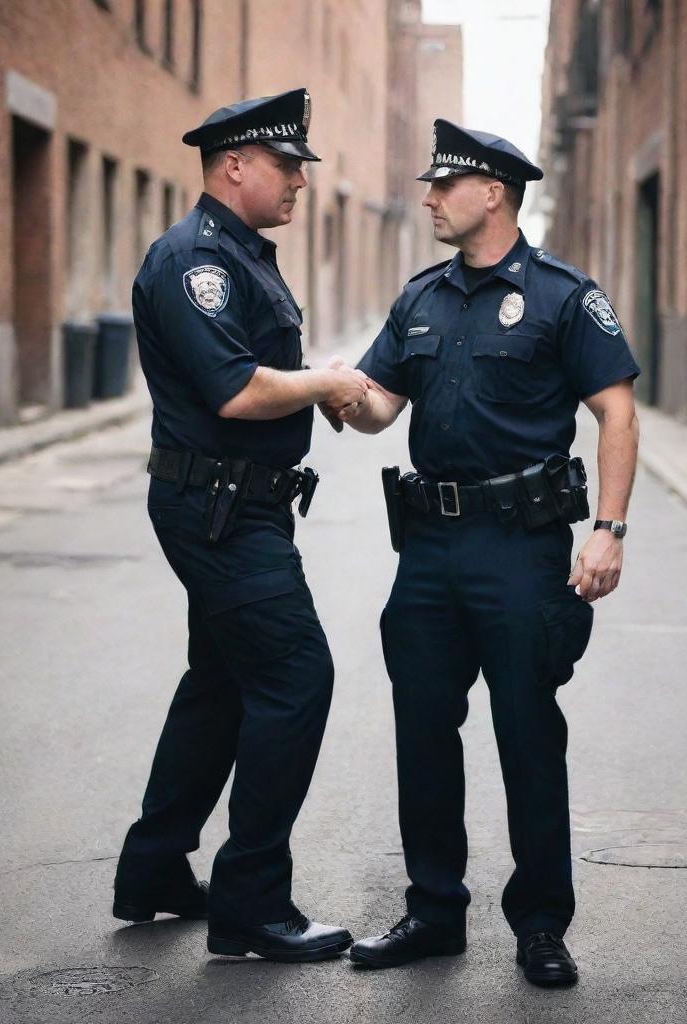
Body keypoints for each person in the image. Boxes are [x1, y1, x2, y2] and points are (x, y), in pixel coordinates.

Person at [331, 119, 640, 987]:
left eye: (443, 185)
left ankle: (541, 924)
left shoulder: (562, 296)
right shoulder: (421, 298)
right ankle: (434, 913)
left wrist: (607, 528)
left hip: (521, 549)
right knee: (424, 732)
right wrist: (331, 394)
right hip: (429, 550)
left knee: (528, 737)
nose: (428, 197)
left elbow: (616, 412)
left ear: (493, 192)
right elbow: (381, 406)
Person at [112, 88, 365, 963]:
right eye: (287, 166)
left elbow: (259, 377)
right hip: (217, 509)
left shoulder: (245, 255)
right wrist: (324, 382)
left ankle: (152, 872)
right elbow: (235, 388)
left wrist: (317, 395)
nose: (300, 181)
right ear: (234, 167)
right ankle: (252, 902)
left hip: (240, 501)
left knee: (221, 683)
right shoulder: (195, 261)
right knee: (298, 676)